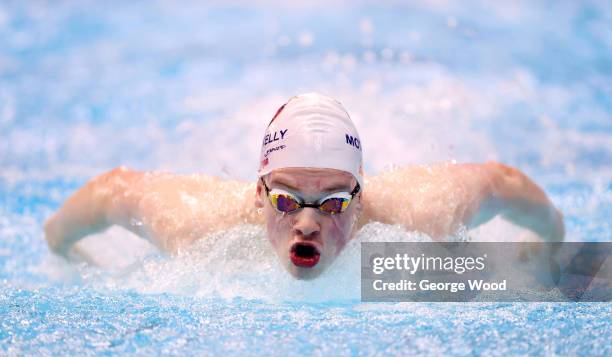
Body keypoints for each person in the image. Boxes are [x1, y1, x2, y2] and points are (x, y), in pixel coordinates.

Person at [44, 93, 565, 279]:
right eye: (287, 199)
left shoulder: (416, 217)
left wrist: (549, 244)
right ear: (257, 193)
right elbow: (112, 191)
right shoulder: (196, 224)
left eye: (334, 202)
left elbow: (501, 182)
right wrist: (62, 250)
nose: (308, 223)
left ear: (360, 203)